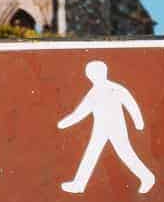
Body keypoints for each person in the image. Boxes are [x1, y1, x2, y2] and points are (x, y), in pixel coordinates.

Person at [56, 59, 156, 194]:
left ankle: (147, 177)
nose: (90, 76)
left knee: (125, 154)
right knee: (92, 153)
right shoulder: (93, 93)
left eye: (91, 73)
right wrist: (63, 123)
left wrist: (138, 122)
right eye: (89, 73)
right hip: (101, 129)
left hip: (116, 128)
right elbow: (80, 113)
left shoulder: (115, 89)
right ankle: (79, 184)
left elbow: (130, 103)